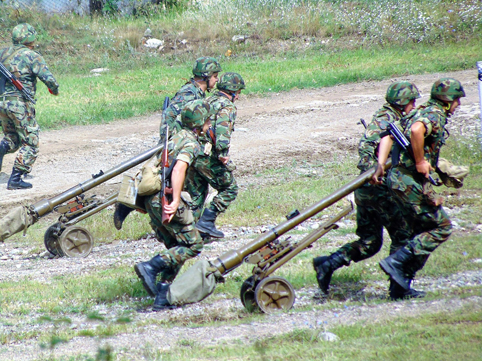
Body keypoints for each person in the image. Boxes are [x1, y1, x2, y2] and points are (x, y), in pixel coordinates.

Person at [313, 81, 423, 300]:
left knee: (369, 243)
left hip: (367, 191)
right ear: (403, 103)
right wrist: (373, 169)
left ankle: (327, 264)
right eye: (412, 101)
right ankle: (399, 289)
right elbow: (367, 145)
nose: (414, 105)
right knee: (404, 236)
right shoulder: (387, 120)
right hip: (381, 190)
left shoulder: (388, 117)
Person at [113, 56, 221, 230]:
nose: (217, 80)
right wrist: (175, 143)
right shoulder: (189, 94)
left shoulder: (194, 93)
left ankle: (191, 224)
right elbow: (171, 119)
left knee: (174, 184)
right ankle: (129, 204)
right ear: (206, 76)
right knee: (158, 183)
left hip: (180, 143)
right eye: (215, 76)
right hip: (176, 144)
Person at [379, 78, 466, 294]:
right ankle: (397, 263)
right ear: (447, 101)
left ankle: (399, 288)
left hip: (398, 180)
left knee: (412, 232)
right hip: (408, 182)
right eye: (456, 100)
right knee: (441, 226)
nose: (458, 106)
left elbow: (390, 135)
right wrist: (419, 161)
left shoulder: (420, 110)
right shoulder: (433, 115)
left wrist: (381, 164)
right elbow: (417, 131)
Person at [134, 99, 212, 306]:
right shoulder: (191, 143)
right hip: (165, 199)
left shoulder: (175, 137)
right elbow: (178, 169)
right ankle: (151, 266)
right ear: (200, 123)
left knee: (176, 248)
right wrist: (176, 199)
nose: (210, 125)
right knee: (194, 244)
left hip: (152, 199)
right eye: (208, 122)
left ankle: (163, 294)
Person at [186, 72, 245, 239]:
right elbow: (222, 133)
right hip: (208, 155)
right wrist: (222, 154)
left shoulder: (207, 100)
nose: (238, 97)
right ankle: (206, 221)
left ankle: (190, 233)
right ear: (233, 91)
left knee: (197, 193)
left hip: (192, 151)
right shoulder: (227, 106)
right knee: (229, 188)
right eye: (238, 92)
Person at [0, 23, 59, 190]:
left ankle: (1, 149)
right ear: (31, 38)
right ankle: (16, 178)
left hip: (2, 103)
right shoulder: (32, 55)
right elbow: (49, 80)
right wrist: (54, 89)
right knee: (31, 141)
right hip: (20, 104)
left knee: (12, 138)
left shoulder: (2, 54)